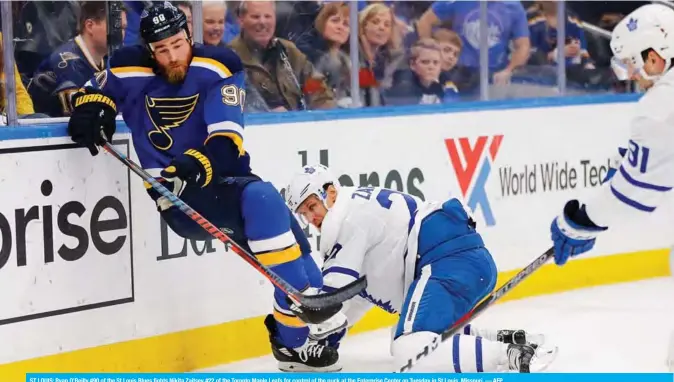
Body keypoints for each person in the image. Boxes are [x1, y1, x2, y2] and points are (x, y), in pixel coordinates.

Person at [64, 2, 340, 372]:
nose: (172, 56)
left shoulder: (219, 66)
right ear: (149, 49)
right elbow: (90, 92)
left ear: (188, 35)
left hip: (219, 176)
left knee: (299, 252)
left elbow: (227, 142)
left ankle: (294, 342)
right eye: (161, 50)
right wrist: (92, 110)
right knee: (263, 200)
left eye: (177, 44)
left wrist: (192, 165)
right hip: (176, 196)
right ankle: (302, 309)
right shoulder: (128, 65)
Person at [286, 165, 556, 373]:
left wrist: (304, 316)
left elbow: (332, 295)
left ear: (330, 191)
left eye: (312, 206)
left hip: (446, 261)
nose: (311, 217)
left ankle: (509, 357)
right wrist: (325, 338)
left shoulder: (349, 222)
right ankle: (510, 342)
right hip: (459, 260)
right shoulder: (357, 214)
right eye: (304, 214)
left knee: (410, 350)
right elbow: (351, 300)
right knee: (406, 334)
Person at [543, 4, 674, 370]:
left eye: (633, 63)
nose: (632, 74)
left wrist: (582, 219)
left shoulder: (661, 107)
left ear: (655, 57)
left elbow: (634, 196)